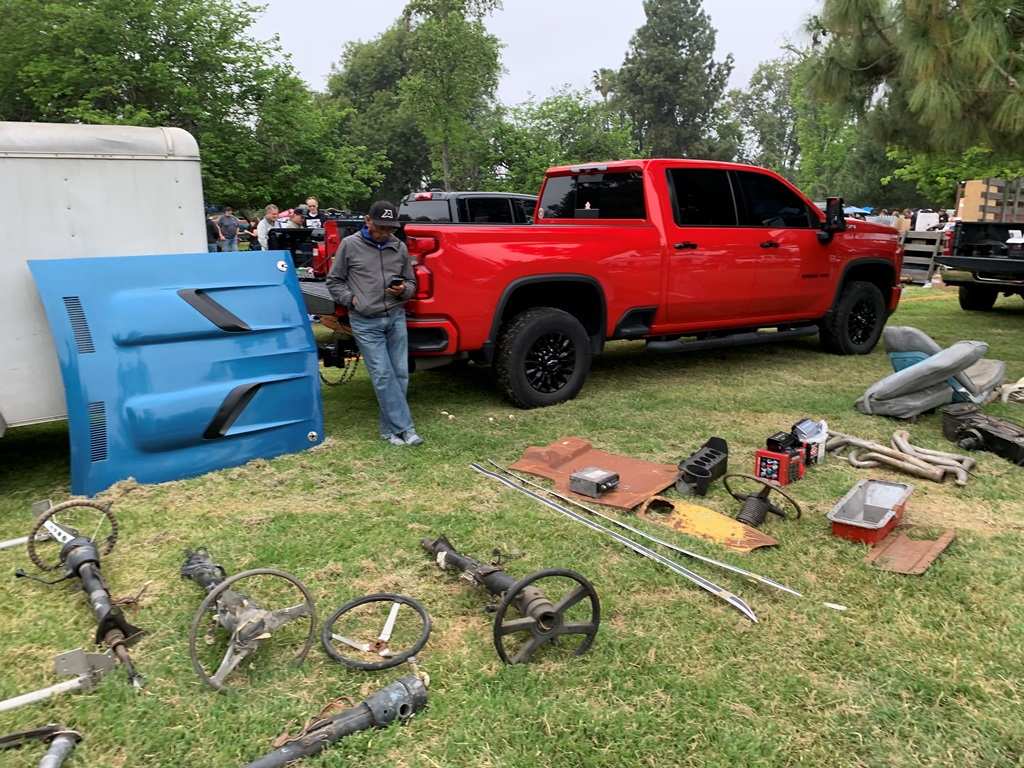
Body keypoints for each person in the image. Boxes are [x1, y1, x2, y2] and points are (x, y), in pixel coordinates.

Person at [326, 200, 422, 446]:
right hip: (365, 320)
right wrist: (352, 300)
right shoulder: (349, 245)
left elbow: (412, 283)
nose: (384, 233)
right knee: (382, 375)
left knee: (400, 373)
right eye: (380, 227)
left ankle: (389, 431)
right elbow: (334, 281)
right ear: (368, 221)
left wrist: (403, 290)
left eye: (389, 228)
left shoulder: (399, 247)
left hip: (395, 316)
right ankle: (406, 429)